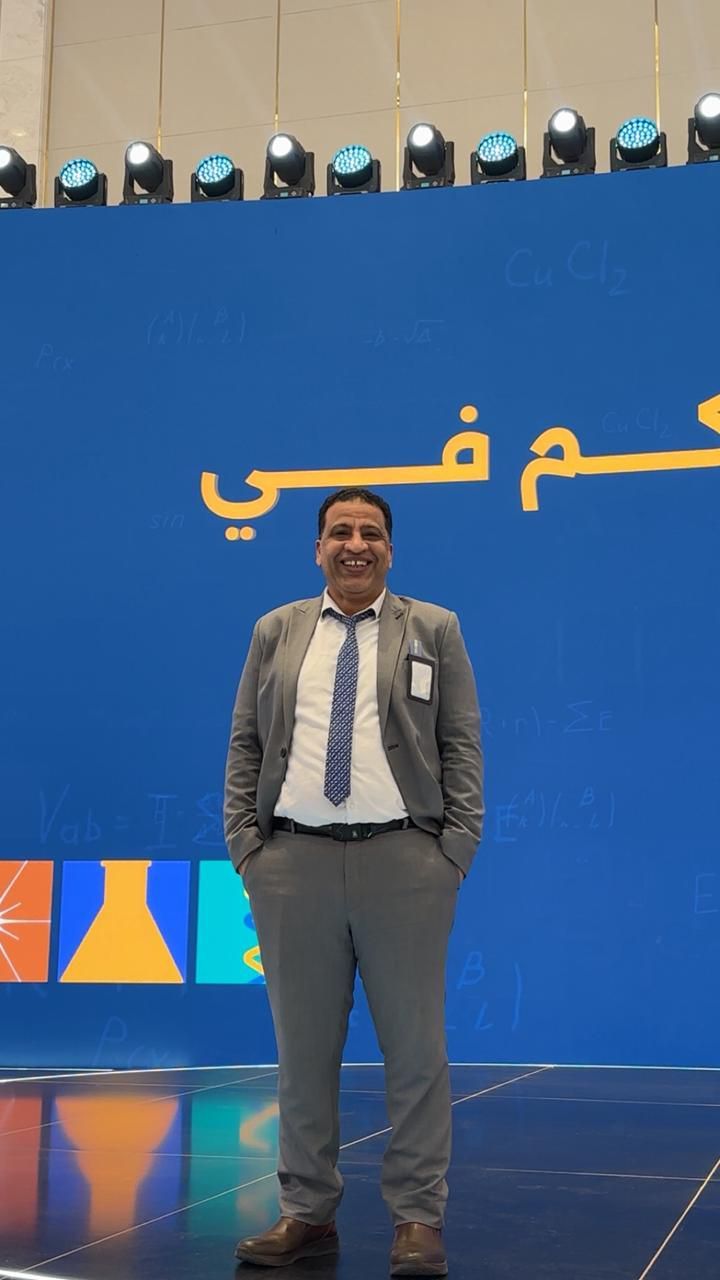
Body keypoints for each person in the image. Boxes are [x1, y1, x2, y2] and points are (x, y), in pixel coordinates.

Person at [225, 486, 483, 1277]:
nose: (356, 544)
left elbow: (461, 742)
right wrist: (248, 849)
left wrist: (453, 851)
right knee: (302, 1052)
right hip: (291, 866)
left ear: (390, 550)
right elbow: (245, 742)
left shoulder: (433, 628)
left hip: (405, 863)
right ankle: (306, 1210)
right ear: (318, 549)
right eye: (340, 531)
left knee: (415, 1052)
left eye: (371, 532)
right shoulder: (276, 630)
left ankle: (417, 1217)